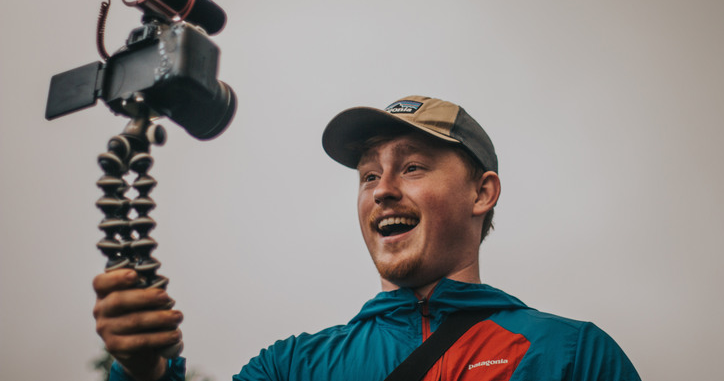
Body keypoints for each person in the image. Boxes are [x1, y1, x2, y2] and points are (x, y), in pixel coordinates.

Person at [93, 96, 641, 380]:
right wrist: (145, 373)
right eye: (369, 175)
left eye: (413, 167)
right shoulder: (294, 367)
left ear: (482, 192)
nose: (382, 191)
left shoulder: (573, 354)